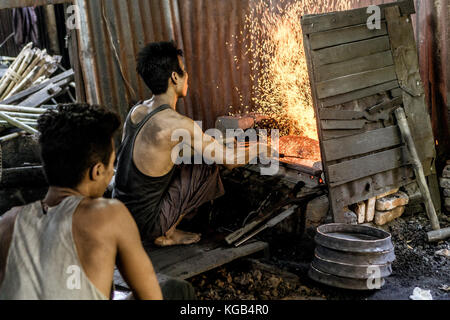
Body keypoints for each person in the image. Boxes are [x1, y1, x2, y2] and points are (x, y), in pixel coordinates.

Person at [113, 41, 269, 247]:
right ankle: (165, 233)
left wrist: (224, 141)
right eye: (184, 72)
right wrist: (265, 145)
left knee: (198, 154)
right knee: (207, 164)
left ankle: (164, 228)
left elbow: (167, 151)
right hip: (145, 225)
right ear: (174, 77)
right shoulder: (177, 124)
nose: (187, 77)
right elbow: (229, 161)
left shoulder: (137, 111)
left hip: (121, 214)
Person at [0, 104, 163, 300]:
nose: (112, 172)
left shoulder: (7, 223)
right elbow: (151, 297)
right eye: (112, 165)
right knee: (176, 288)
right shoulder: (109, 215)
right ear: (97, 171)